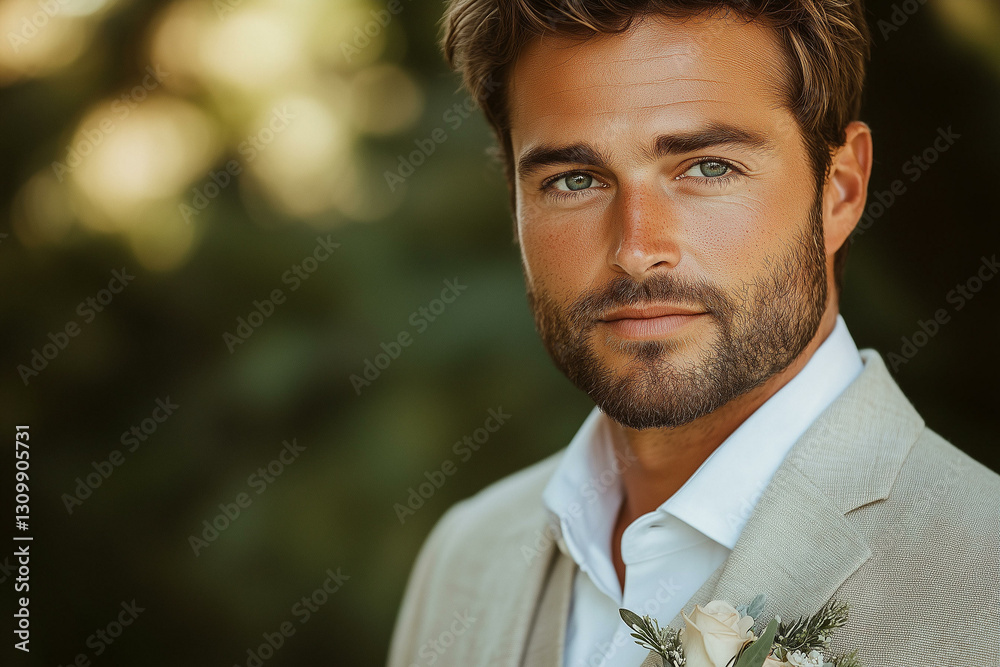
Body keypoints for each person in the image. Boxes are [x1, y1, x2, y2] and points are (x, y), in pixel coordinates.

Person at [387, 1, 1000, 665]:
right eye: (574, 179)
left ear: (842, 189)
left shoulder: (984, 576)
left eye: (708, 167)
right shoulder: (463, 557)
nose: (636, 249)